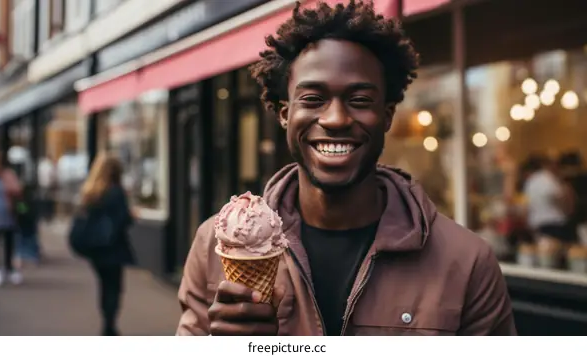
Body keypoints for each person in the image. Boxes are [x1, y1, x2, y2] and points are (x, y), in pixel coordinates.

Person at [177, 0, 516, 336]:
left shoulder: (468, 263)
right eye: (313, 99)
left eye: (359, 100)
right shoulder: (214, 245)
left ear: (386, 116)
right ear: (284, 114)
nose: (336, 119)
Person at [77, 153, 135, 336]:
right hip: (113, 248)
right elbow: (123, 219)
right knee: (114, 288)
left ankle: (107, 323)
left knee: (103, 285)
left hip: (95, 249)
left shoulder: (90, 192)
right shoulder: (116, 192)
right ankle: (109, 326)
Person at [0, 151, 23, 287]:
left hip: (7, 214)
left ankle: (9, 268)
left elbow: (17, 190)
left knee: (9, 242)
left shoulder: (7, 175)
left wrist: (8, 183)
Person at [523, 154, 575, 243]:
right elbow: (559, 198)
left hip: (537, 224)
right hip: (554, 224)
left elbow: (526, 206)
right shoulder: (548, 179)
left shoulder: (530, 181)